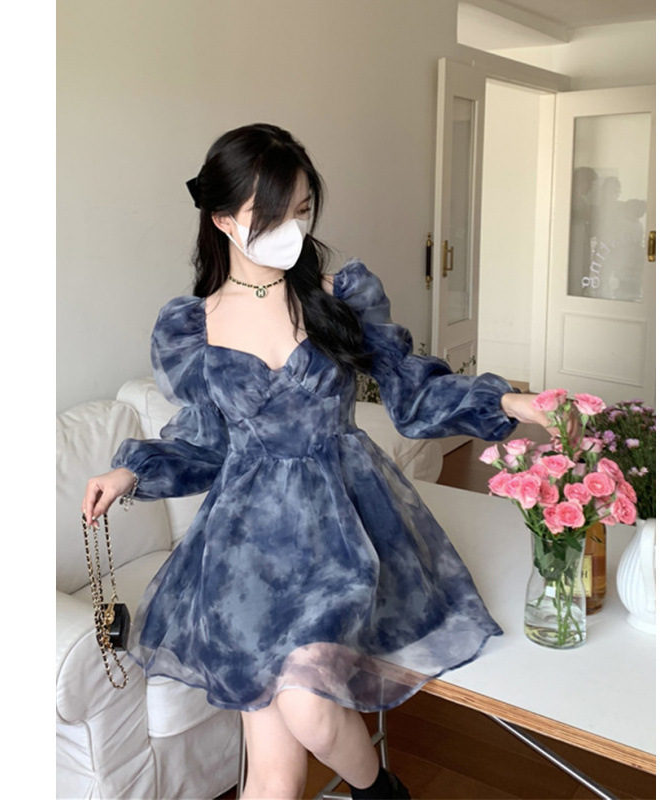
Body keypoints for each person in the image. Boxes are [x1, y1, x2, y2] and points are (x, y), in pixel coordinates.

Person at [83, 123, 564, 800]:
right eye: (272, 214)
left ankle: (380, 791)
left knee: (308, 705)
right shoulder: (190, 327)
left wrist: (511, 401)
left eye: (303, 210)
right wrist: (131, 471)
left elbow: (413, 393)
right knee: (274, 778)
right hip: (246, 549)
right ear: (222, 220)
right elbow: (206, 443)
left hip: (342, 527)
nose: (293, 228)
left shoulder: (341, 295)